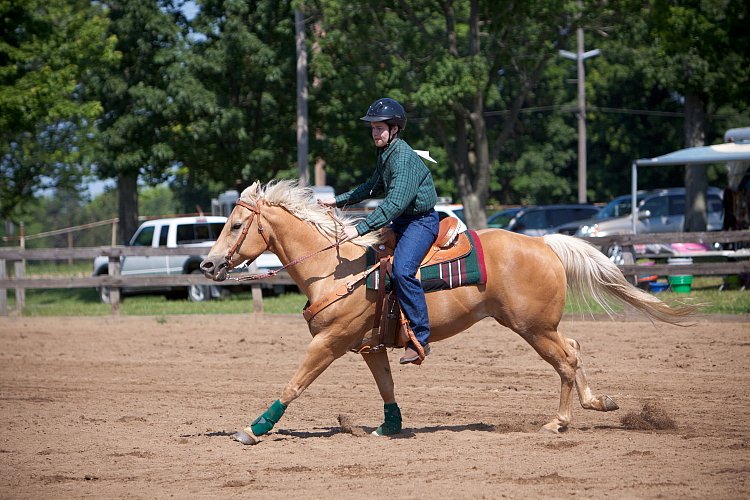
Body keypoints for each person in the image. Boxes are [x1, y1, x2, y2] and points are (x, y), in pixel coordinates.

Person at [319, 97, 439, 364]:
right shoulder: (387, 153)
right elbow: (371, 187)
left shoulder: (404, 158)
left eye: (380, 128)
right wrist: (338, 200)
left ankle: (420, 337)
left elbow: (395, 203)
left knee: (403, 270)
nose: (375, 132)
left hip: (420, 223)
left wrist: (359, 230)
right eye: (372, 128)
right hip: (403, 222)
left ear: (394, 129)